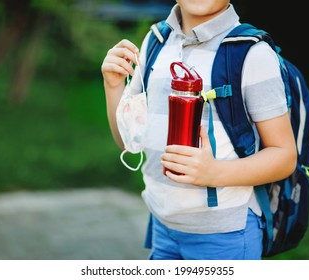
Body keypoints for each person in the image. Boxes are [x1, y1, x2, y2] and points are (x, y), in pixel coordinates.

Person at [101, 0, 297, 260]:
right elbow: (128, 142)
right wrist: (112, 86)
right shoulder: (155, 42)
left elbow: (284, 157)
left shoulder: (251, 53)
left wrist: (215, 172)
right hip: (163, 227)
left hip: (225, 236)